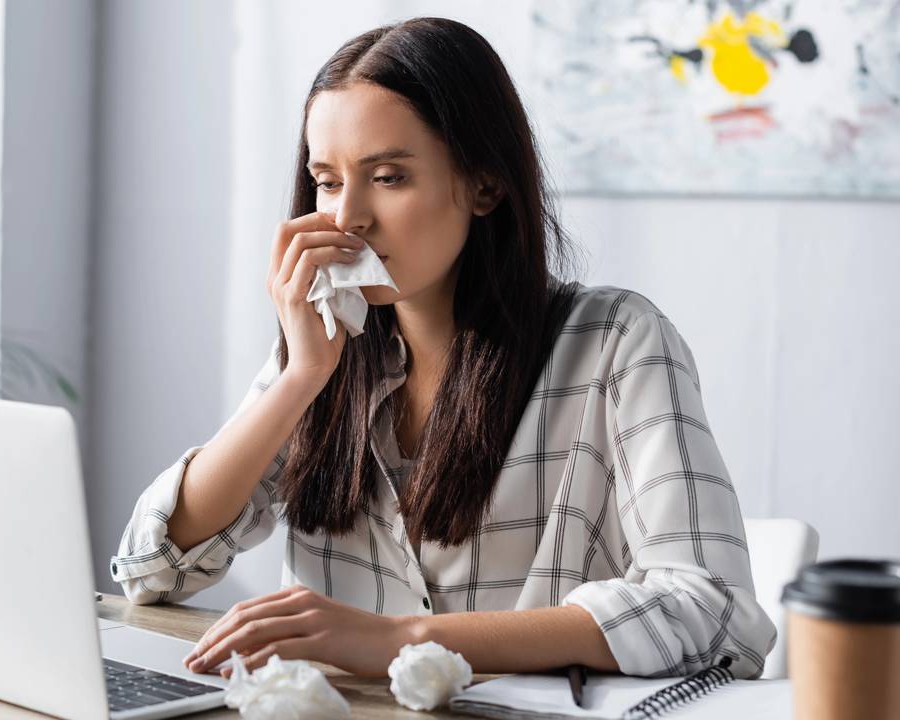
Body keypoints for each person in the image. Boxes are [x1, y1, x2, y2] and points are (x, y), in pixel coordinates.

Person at [109, 16, 776, 681]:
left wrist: (405, 637)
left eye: (389, 177)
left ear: (484, 184)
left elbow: (712, 609)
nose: (348, 219)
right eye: (328, 180)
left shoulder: (614, 343)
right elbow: (151, 567)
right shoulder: (326, 349)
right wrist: (298, 377)